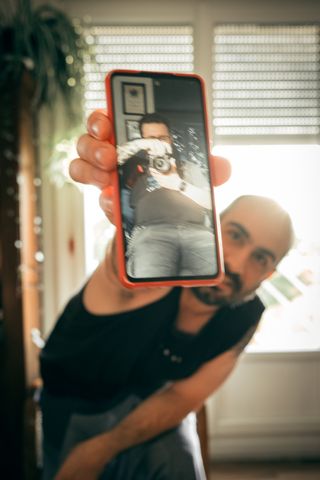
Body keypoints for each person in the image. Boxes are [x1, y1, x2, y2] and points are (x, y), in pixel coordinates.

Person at [40, 110, 294, 480]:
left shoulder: (246, 312)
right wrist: (128, 223)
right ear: (212, 223)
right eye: (235, 235)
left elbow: (181, 398)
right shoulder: (165, 260)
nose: (236, 264)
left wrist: (103, 448)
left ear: (268, 273)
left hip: (147, 401)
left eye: (260, 258)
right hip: (76, 399)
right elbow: (119, 276)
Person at [116, 113, 216, 279]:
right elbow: (109, 160)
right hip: (151, 234)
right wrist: (140, 145)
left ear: (170, 139)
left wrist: (178, 184)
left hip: (197, 233)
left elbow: (211, 203)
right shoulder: (133, 171)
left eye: (162, 138)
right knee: (151, 287)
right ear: (141, 142)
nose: (158, 144)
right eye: (151, 139)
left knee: (216, 281)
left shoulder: (188, 168)